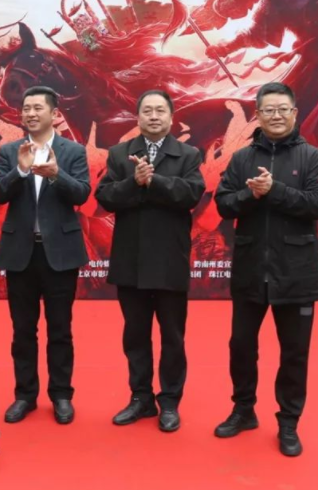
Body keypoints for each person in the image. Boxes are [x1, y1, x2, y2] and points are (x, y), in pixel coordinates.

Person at [213, 81, 318, 457]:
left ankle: (289, 422)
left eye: (283, 109)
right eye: (268, 110)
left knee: (294, 352)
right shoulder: (241, 159)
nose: (276, 116)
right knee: (241, 347)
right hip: (251, 269)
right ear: (258, 115)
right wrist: (250, 194)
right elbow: (223, 204)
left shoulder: (312, 157)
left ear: (294, 113)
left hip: (296, 273)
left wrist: (275, 191)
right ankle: (243, 410)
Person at [95, 90, 205, 432]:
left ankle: (169, 401)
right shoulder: (120, 153)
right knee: (135, 335)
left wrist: (153, 182)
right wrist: (134, 182)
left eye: (160, 111)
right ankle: (140, 398)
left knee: (173, 336)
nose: (154, 116)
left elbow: (191, 194)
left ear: (171, 118)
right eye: (147, 111)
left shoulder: (188, 154)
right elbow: (105, 197)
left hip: (170, 259)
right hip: (131, 259)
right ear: (138, 117)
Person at [0, 85, 91, 425]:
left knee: (60, 329)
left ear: (54, 114)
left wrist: (57, 175)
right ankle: (25, 395)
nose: (30, 113)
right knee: (23, 330)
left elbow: (82, 194)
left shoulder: (73, 151)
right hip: (20, 253)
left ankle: (61, 395)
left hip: (60, 253)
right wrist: (20, 171)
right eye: (26, 108)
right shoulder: (9, 151)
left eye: (37, 108)